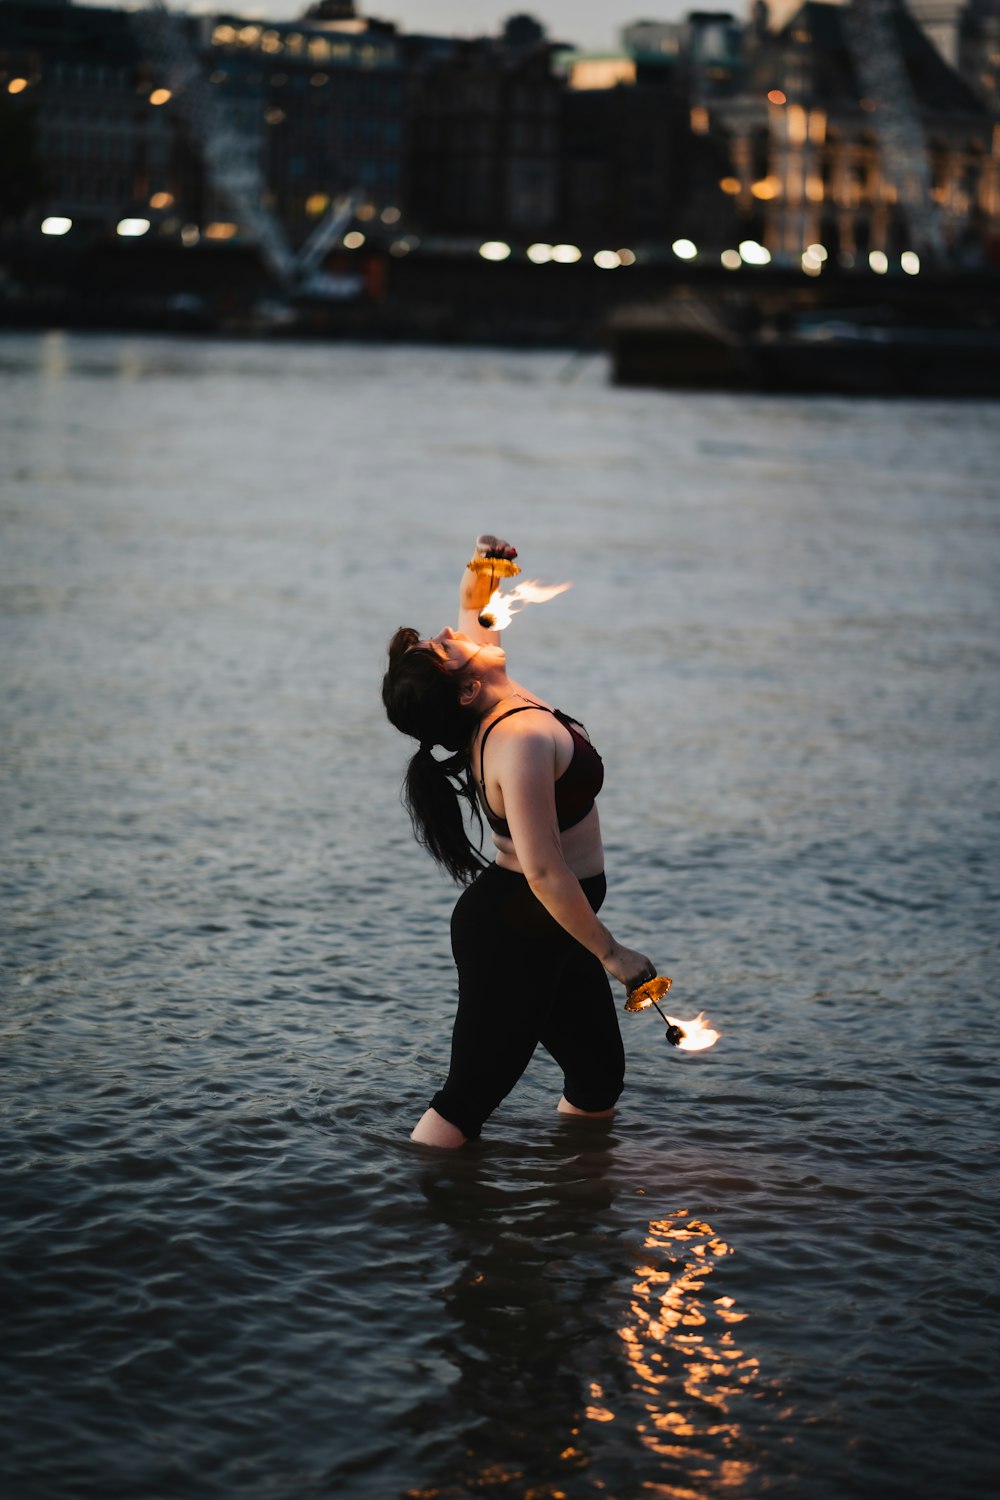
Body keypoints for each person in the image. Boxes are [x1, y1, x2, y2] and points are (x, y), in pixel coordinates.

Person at [381, 534, 656, 1148]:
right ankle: (420, 1208)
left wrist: (483, 571)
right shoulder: (519, 738)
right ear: (466, 689)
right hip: (518, 927)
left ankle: (578, 1193)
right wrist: (614, 956)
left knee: (597, 1077)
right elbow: (544, 870)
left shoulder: (488, 706)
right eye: (445, 648)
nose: (454, 634)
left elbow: (474, 609)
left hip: (549, 924)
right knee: (470, 1094)